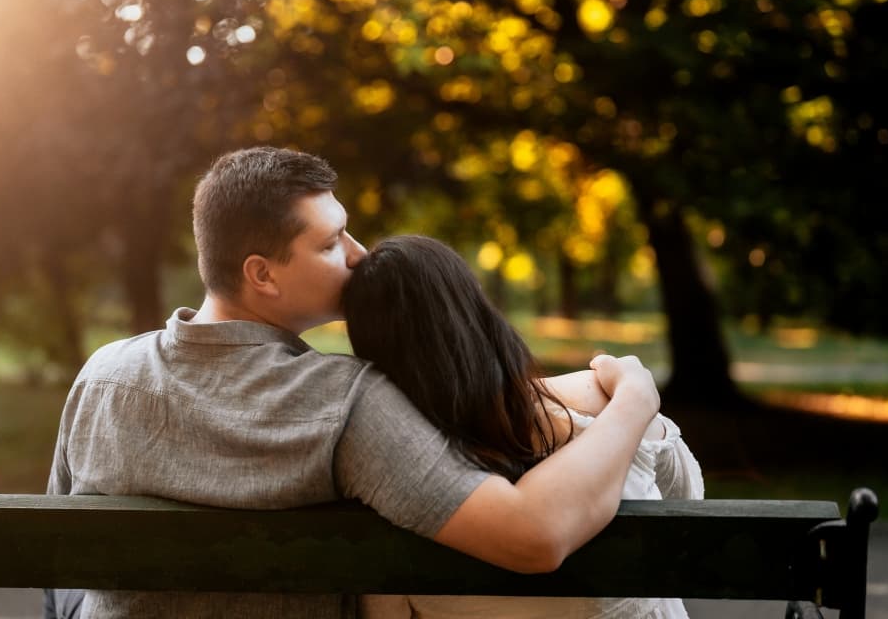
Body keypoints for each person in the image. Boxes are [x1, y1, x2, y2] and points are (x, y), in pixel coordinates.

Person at [46, 147, 663, 619]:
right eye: (329, 242)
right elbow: (534, 535)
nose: (360, 253)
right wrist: (634, 399)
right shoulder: (343, 403)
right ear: (261, 274)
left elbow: (58, 563)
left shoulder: (103, 377)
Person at [343, 234, 705, 619]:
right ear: (476, 312)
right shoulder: (603, 400)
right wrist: (639, 402)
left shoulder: (395, 490)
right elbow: (687, 507)